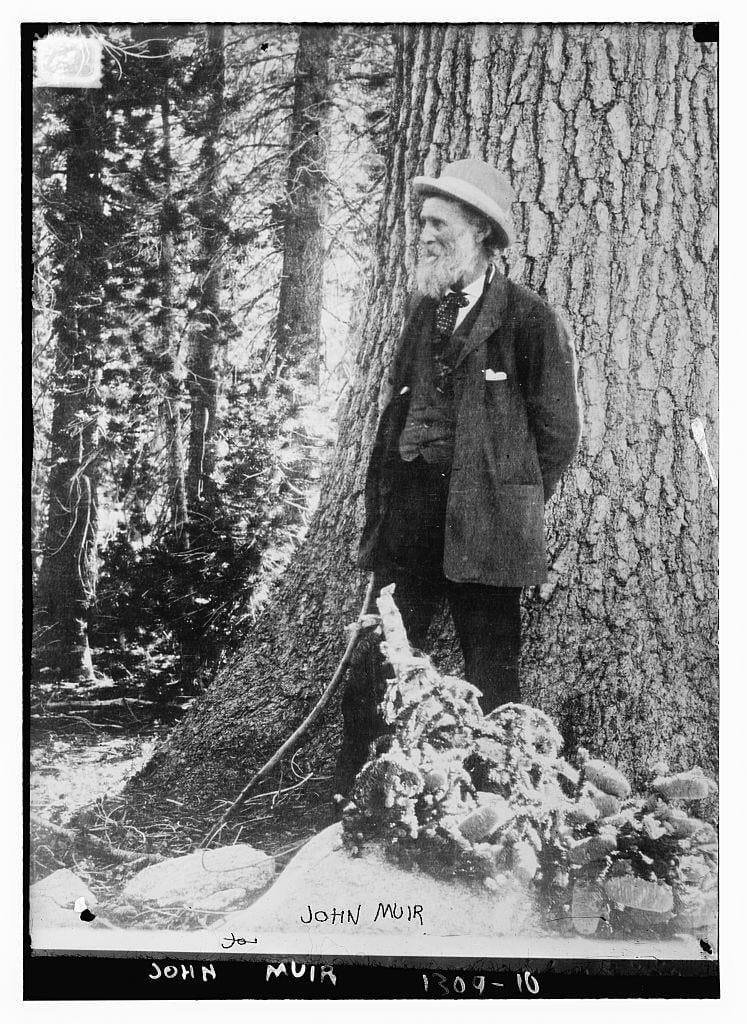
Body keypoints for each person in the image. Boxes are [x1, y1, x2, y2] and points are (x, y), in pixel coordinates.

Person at [334, 159, 581, 796]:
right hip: (411, 514)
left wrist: (507, 500)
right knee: (386, 657)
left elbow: (558, 435)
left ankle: (497, 805)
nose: (425, 234)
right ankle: (361, 793)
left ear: (481, 232)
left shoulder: (530, 321)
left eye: (439, 223)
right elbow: (400, 401)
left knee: (492, 669)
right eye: (422, 221)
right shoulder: (425, 313)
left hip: (489, 521)